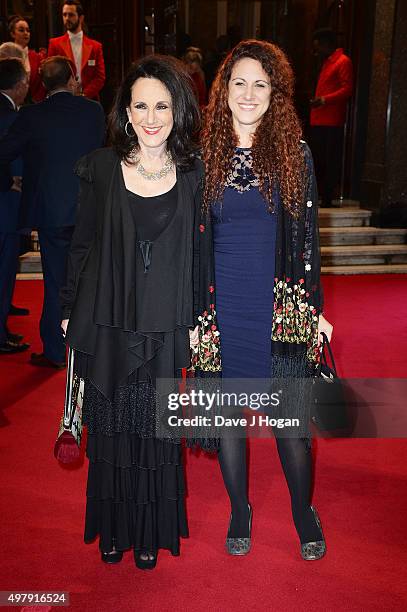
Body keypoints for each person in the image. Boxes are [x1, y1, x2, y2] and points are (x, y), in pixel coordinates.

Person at [59, 55, 202, 569]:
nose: (150, 116)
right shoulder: (100, 167)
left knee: (156, 430)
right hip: (109, 318)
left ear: (178, 111)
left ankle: (148, 532)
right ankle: (114, 532)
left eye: (161, 105)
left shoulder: (194, 172)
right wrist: (69, 308)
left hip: (165, 324)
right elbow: (81, 243)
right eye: (140, 105)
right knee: (113, 428)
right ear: (124, 112)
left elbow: (208, 250)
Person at [196, 39, 333, 560]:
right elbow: (193, 244)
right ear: (224, 90)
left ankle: (303, 510)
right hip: (222, 303)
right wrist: (193, 314)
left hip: (277, 303)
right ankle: (239, 509)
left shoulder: (294, 154)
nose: (249, 93)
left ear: (275, 93)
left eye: (261, 84)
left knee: (291, 428)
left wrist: (314, 311)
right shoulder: (203, 155)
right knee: (230, 420)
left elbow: (307, 243)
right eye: (240, 83)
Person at [0, 56, 105, 368]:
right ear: (72, 79)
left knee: (56, 282)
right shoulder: (93, 111)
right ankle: (91, 347)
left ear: (42, 85)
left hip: (51, 213)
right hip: (90, 208)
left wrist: (11, 180)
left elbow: (4, 152)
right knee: (89, 279)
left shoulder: (32, 115)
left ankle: (57, 352)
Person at [0, 58, 30, 354]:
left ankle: (5, 310)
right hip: (5, 205)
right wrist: (8, 181)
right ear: (20, 85)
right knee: (4, 267)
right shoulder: (9, 115)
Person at [310, 28, 353, 207]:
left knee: (330, 159)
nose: (316, 51)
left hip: (332, 120)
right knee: (318, 159)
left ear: (327, 44)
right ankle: (319, 195)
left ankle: (327, 197)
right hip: (319, 118)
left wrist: (324, 100)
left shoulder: (343, 62)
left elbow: (347, 89)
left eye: (318, 47)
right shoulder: (327, 62)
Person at [48, 0, 105, 101]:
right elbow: (51, 74)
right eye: (64, 15)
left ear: (81, 18)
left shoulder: (96, 46)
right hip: (63, 100)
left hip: (89, 100)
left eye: (71, 15)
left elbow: (99, 78)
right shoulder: (55, 44)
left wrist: (84, 95)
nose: (67, 18)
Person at [8, 15, 46, 103]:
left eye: (28, 30)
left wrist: (36, 102)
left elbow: (42, 84)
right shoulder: (7, 55)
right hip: (11, 103)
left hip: (34, 105)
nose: (26, 33)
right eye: (21, 30)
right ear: (12, 34)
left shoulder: (37, 57)